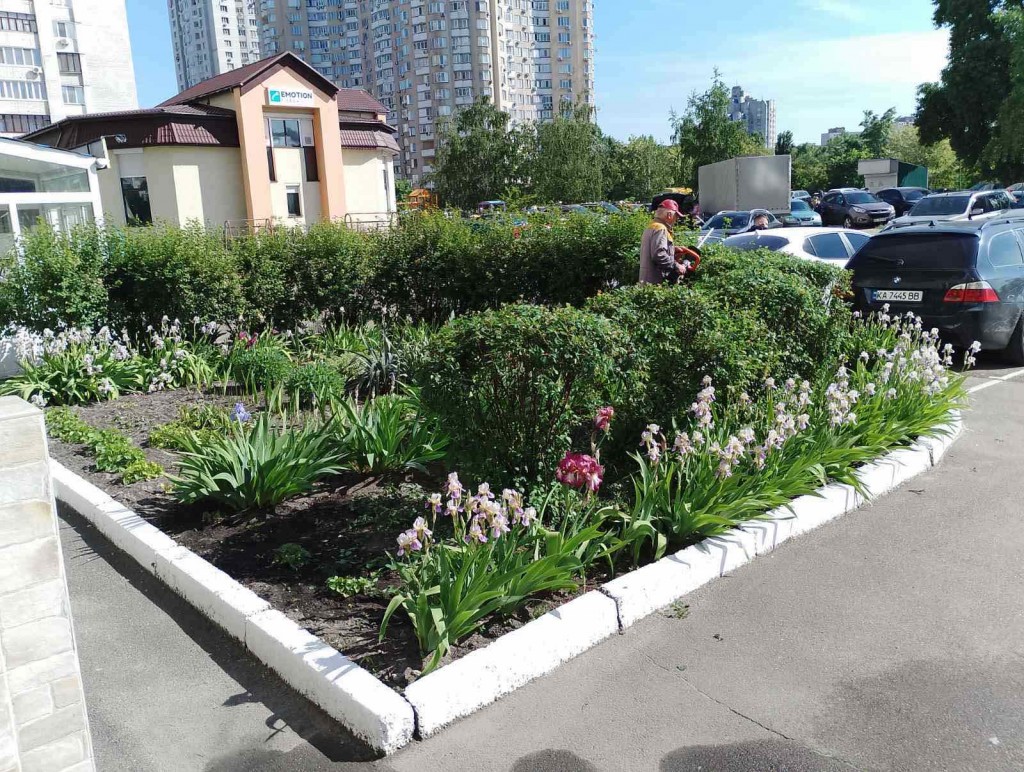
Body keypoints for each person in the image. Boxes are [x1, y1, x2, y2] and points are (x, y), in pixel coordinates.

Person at [639, 200, 691, 285]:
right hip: (655, 283)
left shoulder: (651, 226)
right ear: (669, 215)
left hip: (647, 281)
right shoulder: (661, 229)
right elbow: (658, 254)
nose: (677, 219)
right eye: (676, 216)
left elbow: (653, 249)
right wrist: (677, 266)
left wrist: (673, 249)